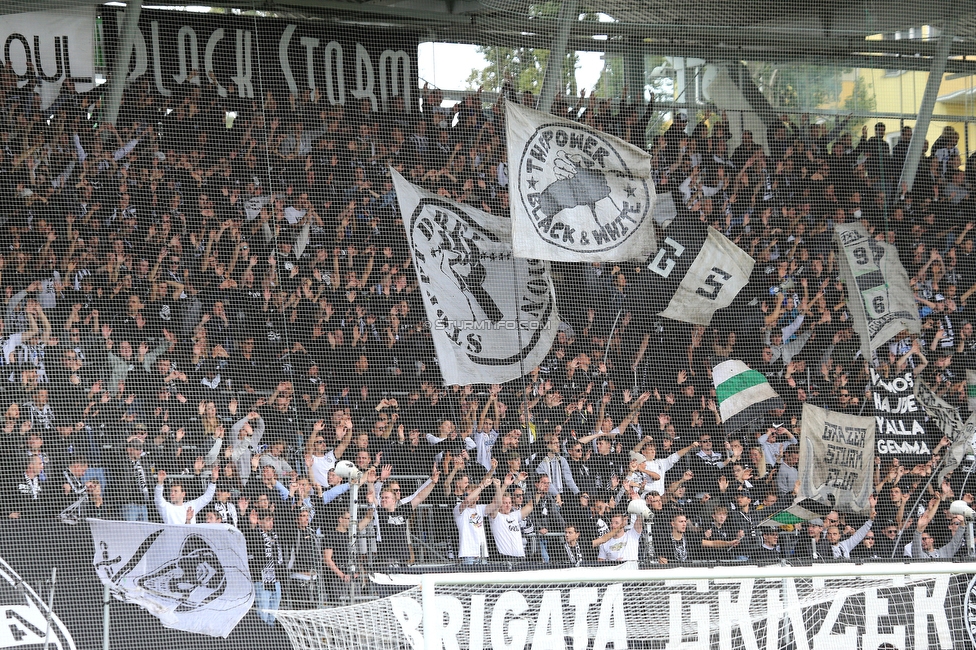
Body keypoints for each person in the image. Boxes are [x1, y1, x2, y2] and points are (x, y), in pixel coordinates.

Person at [245, 507, 284, 626]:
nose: (271, 523)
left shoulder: (275, 535)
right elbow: (249, 540)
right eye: (267, 520)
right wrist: (252, 526)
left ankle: (271, 635)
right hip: (261, 580)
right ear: (259, 521)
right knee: (262, 614)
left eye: (272, 520)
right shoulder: (255, 534)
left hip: (276, 580)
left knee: (273, 615)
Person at [154, 465, 219, 524]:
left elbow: (206, 498)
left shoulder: (190, 506)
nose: (172, 494)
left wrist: (213, 480)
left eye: (175, 491)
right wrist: (160, 483)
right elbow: (158, 498)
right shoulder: (167, 507)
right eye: (171, 491)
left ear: (183, 494)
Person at [489, 471, 532, 560]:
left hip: (521, 557)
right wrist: (504, 485)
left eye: (509, 503)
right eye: (505, 503)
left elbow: (530, 506)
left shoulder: (514, 515)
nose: (508, 505)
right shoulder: (495, 516)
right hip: (505, 558)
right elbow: (496, 502)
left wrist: (539, 492)